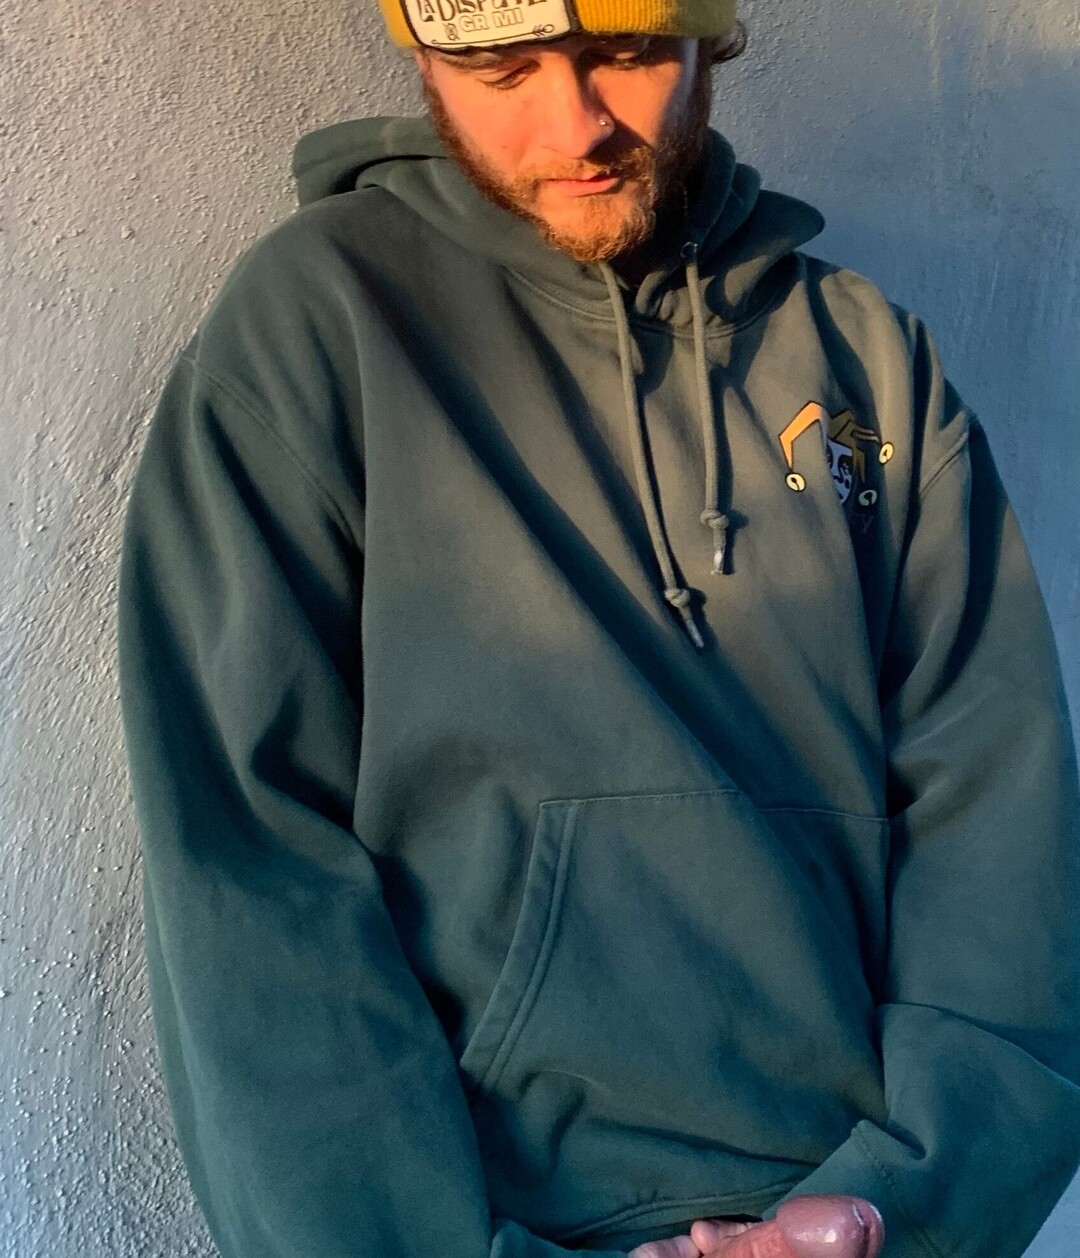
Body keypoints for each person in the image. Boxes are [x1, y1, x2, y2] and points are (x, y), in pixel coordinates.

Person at [117, 1, 1080, 1255]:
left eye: (624, 54)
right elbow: (253, 878)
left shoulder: (868, 369)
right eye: (503, 68)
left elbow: (1001, 840)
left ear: (706, 36)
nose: (573, 126)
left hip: (854, 1219)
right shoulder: (318, 330)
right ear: (427, 56)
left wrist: (906, 1213)